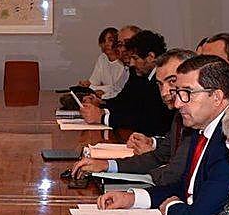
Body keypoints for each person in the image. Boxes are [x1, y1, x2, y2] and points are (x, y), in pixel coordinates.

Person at [97, 55, 229, 215]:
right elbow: (185, 188)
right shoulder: (201, 128)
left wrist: (170, 207)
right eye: (178, 92)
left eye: (187, 93)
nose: (178, 103)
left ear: (216, 97)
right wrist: (132, 198)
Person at [70, 48, 196, 185]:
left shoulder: (200, 120)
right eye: (160, 84)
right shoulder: (180, 116)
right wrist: (106, 165)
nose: (164, 92)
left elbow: (173, 174)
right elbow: (158, 157)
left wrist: (138, 192)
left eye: (172, 82)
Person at [80, 29, 172, 134]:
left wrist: (102, 117)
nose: (132, 63)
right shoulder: (140, 74)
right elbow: (125, 102)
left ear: (151, 57)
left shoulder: (164, 80)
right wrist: (101, 105)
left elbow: (146, 120)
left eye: (135, 58)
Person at [79, 27, 129, 99]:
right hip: (105, 97)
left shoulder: (124, 61)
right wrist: (86, 85)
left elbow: (117, 87)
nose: (106, 44)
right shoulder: (102, 58)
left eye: (110, 40)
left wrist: (92, 87)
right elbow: (94, 81)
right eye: (103, 41)